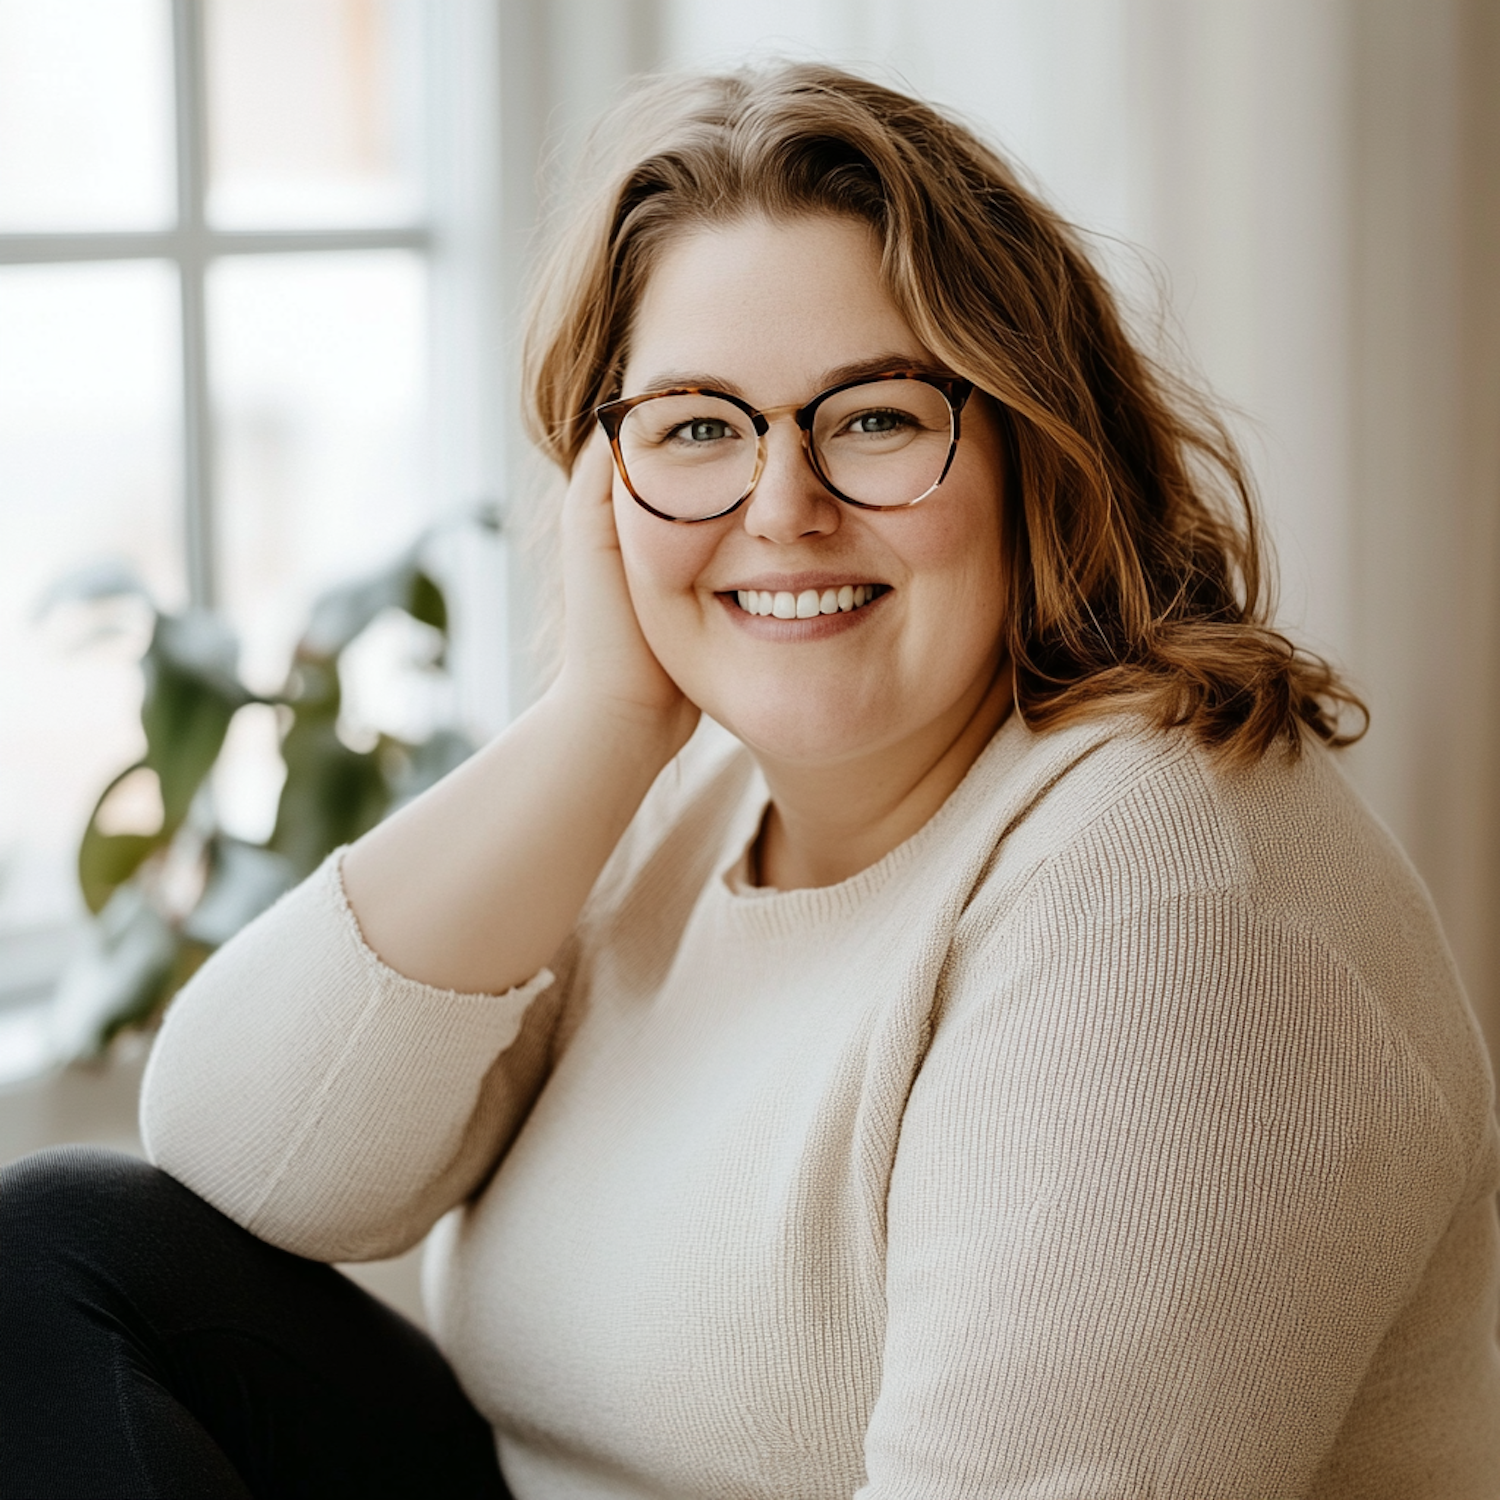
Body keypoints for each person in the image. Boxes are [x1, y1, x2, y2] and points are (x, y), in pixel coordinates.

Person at [3, 62, 1498, 1500]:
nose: (783, 509)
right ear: (608, 482)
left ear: (1038, 448)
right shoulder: (696, 794)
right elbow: (246, 1159)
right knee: (55, 1253)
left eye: (876, 418)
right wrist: (603, 715)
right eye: (700, 429)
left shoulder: (1177, 897)